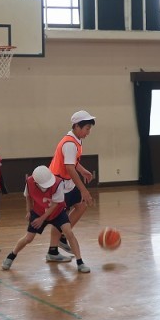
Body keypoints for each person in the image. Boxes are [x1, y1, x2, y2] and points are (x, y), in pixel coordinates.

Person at [1, 166, 90, 273]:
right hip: (38, 212)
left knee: (69, 233)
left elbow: (55, 204)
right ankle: (11, 256)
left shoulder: (58, 183)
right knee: (28, 238)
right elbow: (28, 196)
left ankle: (80, 262)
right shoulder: (29, 182)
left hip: (57, 212)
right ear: (36, 183)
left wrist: (42, 219)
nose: (48, 186)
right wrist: (29, 211)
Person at [46, 110, 95, 260]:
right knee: (60, 217)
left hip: (66, 183)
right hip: (58, 185)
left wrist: (83, 170)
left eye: (89, 129)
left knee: (81, 205)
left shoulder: (76, 140)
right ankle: (53, 251)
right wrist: (84, 190)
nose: (88, 132)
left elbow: (73, 162)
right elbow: (69, 168)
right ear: (77, 126)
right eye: (87, 129)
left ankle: (61, 236)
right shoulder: (69, 144)